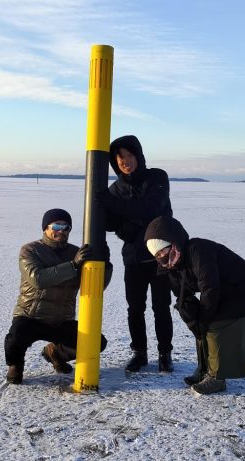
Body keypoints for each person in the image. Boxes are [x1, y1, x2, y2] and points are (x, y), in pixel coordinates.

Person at [143, 216, 245, 395]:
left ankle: (216, 378)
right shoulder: (171, 265)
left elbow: (210, 287)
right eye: (157, 255)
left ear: (174, 242)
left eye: (162, 251)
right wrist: (192, 318)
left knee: (213, 325)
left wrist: (204, 319)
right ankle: (203, 370)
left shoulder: (198, 250)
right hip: (222, 293)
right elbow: (182, 296)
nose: (161, 257)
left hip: (243, 292)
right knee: (200, 327)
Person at [3, 208, 112, 384]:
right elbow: (38, 279)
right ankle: (15, 366)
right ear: (46, 228)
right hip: (31, 316)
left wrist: (105, 265)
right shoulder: (30, 250)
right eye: (56, 225)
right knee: (15, 339)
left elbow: (95, 287)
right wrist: (73, 265)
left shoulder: (77, 253)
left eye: (66, 227)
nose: (61, 230)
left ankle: (55, 353)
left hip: (61, 319)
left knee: (97, 343)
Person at [94, 135, 175, 373]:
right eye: (120, 158)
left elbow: (151, 207)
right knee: (135, 308)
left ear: (138, 156)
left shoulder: (157, 177)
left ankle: (165, 354)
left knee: (161, 306)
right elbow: (111, 224)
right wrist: (108, 212)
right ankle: (139, 353)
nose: (125, 161)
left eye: (129, 156)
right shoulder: (115, 189)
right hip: (133, 257)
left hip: (162, 256)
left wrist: (116, 207)